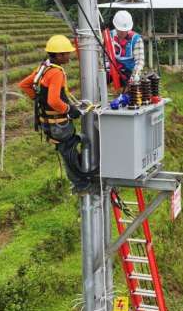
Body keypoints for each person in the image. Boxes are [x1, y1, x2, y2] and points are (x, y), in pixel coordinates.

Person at [19, 35, 96, 192]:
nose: (69, 55)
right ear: (59, 55)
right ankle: (81, 184)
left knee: (70, 148)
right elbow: (54, 101)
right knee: (69, 152)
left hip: (48, 123)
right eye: (67, 53)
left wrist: (39, 99)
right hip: (59, 124)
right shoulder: (56, 73)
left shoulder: (44, 68)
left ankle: (83, 178)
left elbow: (25, 85)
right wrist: (70, 110)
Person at [110, 10, 145, 85]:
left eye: (125, 30)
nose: (122, 33)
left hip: (129, 73)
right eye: (120, 30)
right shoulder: (109, 36)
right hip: (112, 70)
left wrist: (135, 76)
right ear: (115, 26)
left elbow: (139, 61)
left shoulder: (136, 40)